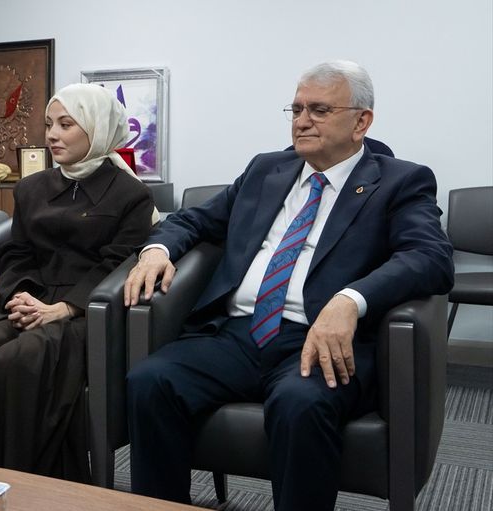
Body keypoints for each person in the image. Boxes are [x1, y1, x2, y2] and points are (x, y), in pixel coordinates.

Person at [123, 61, 454, 510]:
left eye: (319, 110)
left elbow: (430, 257)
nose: (302, 121)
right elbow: (193, 220)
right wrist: (156, 251)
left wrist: (350, 300)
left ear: (362, 122)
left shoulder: (400, 181)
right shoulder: (266, 170)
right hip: (236, 334)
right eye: (296, 109)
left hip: (321, 341)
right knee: (149, 381)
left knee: (299, 405)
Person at [0, 83, 155, 482]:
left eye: (65, 124)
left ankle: (16, 483)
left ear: (97, 129)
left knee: (16, 362)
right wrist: (22, 296)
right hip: (27, 297)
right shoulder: (31, 187)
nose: (52, 135)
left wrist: (65, 308)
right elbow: (17, 252)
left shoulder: (131, 195)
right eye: (48, 124)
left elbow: (118, 264)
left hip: (86, 310)